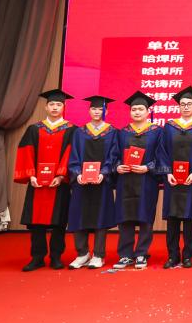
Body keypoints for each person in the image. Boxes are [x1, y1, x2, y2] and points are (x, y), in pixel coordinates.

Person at [14, 89, 75, 272]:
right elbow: (26, 152)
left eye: (58, 104)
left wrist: (61, 175)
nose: (55, 107)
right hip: (37, 183)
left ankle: (56, 256)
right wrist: (31, 175)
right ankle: (37, 257)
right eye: (52, 104)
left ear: (64, 107)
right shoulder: (34, 129)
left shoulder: (71, 130)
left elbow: (71, 153)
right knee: (36, 221)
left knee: (59, 221)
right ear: (46, 107)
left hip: (59, 183)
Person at [156, 86, 192, 269]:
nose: (186, 107)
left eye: (189, 104)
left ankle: (187, 256)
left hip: (191, 180)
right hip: (172, 180)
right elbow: (162, 151)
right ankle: (172, 255)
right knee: (172, 218)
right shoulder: (169, 127)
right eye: (183, 104)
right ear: (178, 106)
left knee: (189, 219)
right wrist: (168, 172)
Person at [66, 95, 118, 270]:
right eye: (94, 109)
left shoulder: (112, 132)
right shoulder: (80, 132)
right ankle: (82, 253)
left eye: (100, 109)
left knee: (100, 217)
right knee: (79, 216)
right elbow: (74, 156)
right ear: (89, 111)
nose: (97, 112)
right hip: (81, 182)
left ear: (106, 111)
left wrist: (104, 172)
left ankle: (98, 255)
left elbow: (113, 156)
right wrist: (77, 173)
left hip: (102, 182)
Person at [113, 91, 163, 270]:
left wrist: (148, 167)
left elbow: (162, 156)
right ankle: (125, 255)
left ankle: (142, 253)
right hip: (125, 180)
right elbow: (114, 154)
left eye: (141, 109)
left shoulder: (157, 132)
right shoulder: (122, 133)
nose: (137, 112)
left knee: (145, 217)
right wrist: (117, 166)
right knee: (124, 217)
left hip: (147, 181)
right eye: (134, 109)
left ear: (148, 111)